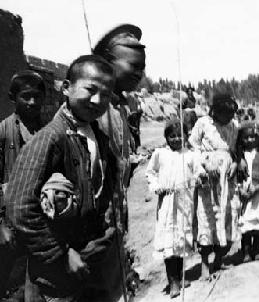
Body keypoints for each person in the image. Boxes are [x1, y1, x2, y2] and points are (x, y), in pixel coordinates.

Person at [5, 55, 120, 302]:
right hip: (56, 275)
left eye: (106, 94)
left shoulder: (97, 136)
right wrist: (62, 253)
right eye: (90, 90)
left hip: (90, 262)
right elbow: (20, 208)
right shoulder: (50, 139)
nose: (98, 100)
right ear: (66, 88)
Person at [93, 24, 146, 231]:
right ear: (107, 62)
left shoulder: (122, 106)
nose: (139, 73)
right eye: (133, 65)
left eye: (142, 68)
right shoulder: (94, 106)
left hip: (117, 206)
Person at [145, 119, 204, 298]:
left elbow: (198, 170)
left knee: (180, 239)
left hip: (185, 201)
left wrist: (201, 176)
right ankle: (172, 281)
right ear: (166, 137)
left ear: (186, 136)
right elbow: (151, 173)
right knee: (169, 240)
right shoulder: (160, 153)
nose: (176, 139)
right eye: (172, 136)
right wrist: (157, 187)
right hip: (167, 202)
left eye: (180, 135)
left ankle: (179, 275)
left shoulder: (190, 154)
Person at [0, 70, 45, 299]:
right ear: (12, 98)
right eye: (26, 96)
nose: (32, 102)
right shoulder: (4, 132)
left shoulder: (47, 132)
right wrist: (1, 225)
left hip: (39, 222)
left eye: (37, 96)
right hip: (10, 223)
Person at [188, 93, 240, 280]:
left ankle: (218, 259)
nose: (228, 118)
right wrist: (205, 163)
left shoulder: (234, 126)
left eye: (231, 114)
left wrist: (234, 163)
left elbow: (236, 150)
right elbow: (192, 146)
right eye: (224, 113)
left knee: (229, 214)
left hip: (227, 178)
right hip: (208, 177)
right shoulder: (203, 123)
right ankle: (204, 265)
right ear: (215, 111)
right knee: (207, 218)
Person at [236, 122, 259, 263]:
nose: (250, 140)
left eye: (253, 137)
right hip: (244, 193)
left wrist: (256, 189)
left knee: (258, 221)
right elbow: (235, 177)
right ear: (241, 139)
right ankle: (246, 251)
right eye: (246, 137)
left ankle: (257, 249)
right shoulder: (240, 156)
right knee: (245, 223)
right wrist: (240, 190)